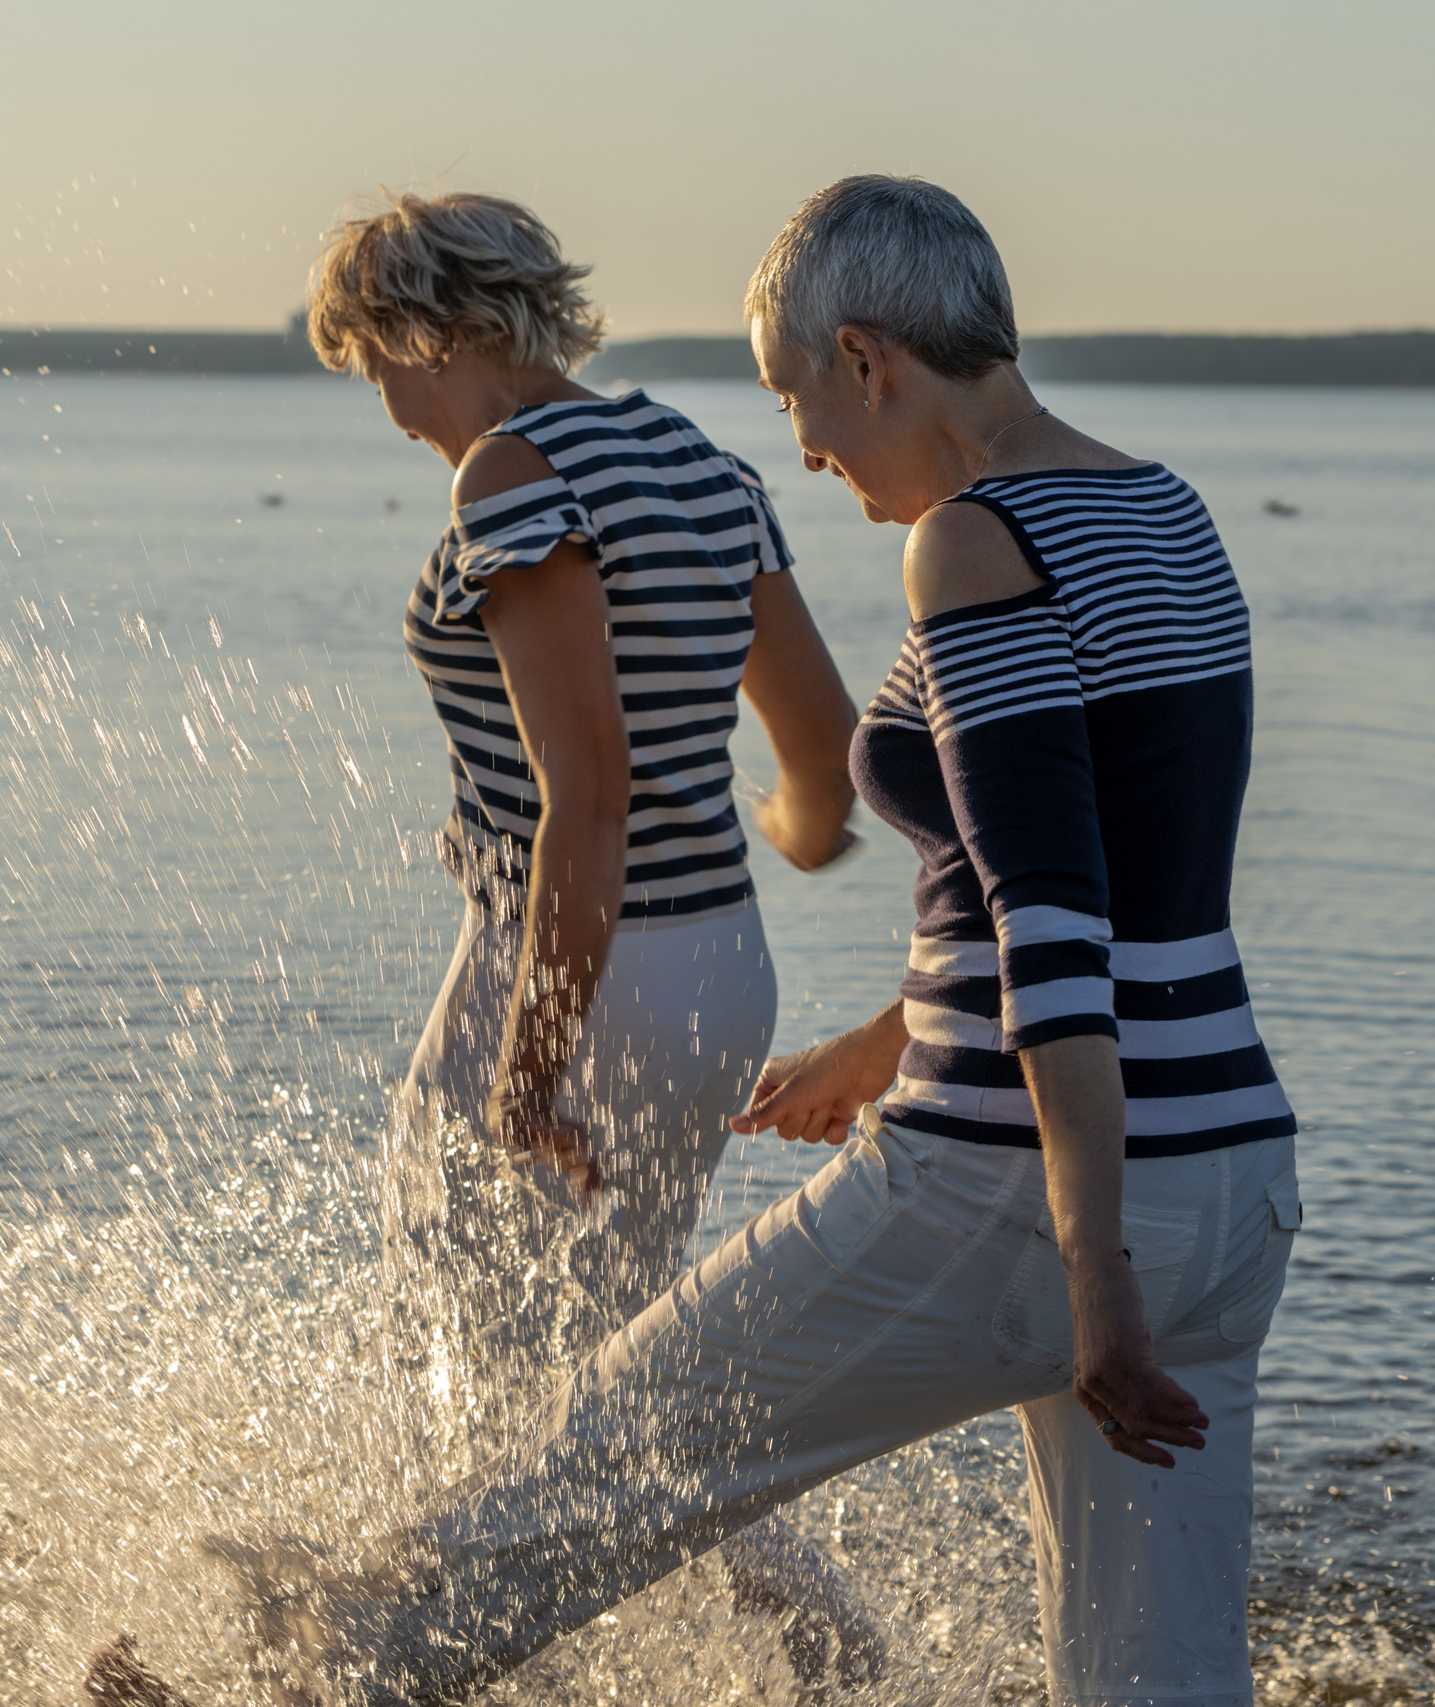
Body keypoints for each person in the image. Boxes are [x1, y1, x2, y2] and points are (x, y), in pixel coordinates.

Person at [90, 174, 1300, 1707]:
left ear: (868, 362)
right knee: (1160, 1680)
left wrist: (1093, 1269)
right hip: (1232, 1178)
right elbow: (1135, 888)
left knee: (596, 1467)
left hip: (1026, 1191)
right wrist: (888, 1042)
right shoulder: (1159, 506)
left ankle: (275, 1691)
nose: (801, 445)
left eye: (804, 397)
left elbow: (1058, 926)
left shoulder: (975, 546)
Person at [309, 192, 875, 1676]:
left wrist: (528, 1064)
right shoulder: (698, 457)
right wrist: (792, 821)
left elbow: (588, 797)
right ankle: (831, 1652)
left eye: (375, 363)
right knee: (612, 1363)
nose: (384, 406)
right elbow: (821, 745)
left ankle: (428, 1663)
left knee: (477, 1363)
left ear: (431, 333)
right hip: (715, 966)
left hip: (576, 963)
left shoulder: (509, 474)